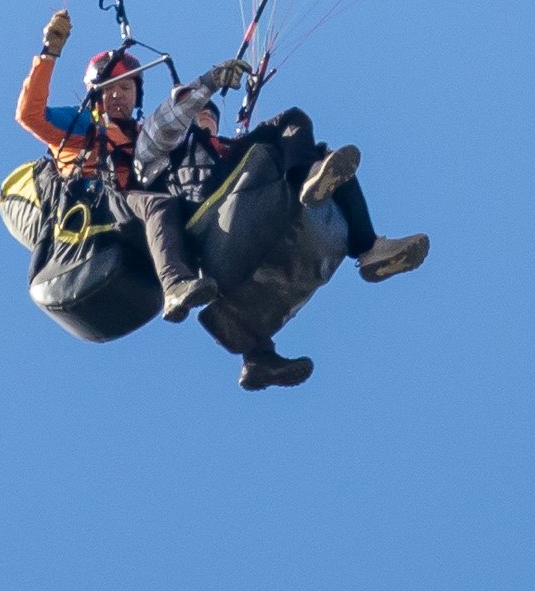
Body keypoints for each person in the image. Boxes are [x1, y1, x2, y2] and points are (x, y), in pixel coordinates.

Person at [132, 59, 429, 391]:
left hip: (245, 217)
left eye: (213, 115)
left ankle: (365, 246)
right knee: (279, 136)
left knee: (298, 128)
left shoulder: (230, 150)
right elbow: (165, 124)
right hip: (210, 224)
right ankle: (309, 179)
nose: (207, 117)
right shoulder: (158, 157)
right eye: (201, 113)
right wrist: (208, 85)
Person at [15, 8, 221, 323]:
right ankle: (175, 286)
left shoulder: (141, 138)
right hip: (93, 211)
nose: (117, 95)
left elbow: (180, 153)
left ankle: (255, 347)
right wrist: (50, 53)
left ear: (136, 96)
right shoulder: (81, 124)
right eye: (109, 88)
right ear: (95, 96)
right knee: (157, 205)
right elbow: (31, 115)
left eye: (125, 88)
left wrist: (204, 130)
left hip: (128, 214)